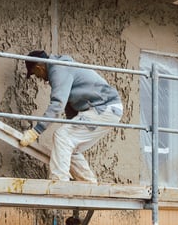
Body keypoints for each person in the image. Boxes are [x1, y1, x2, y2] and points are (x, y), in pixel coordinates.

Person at [20, 50, 124, 183]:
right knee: (70, 146)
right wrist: (72, 123)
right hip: (106, 109)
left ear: (39, 67)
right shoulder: (61, 69)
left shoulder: (58, 69)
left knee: (62, 136)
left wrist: (36, 131)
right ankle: (89, 184)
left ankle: (59, 182)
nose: (39, 78)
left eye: (36, 74)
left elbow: (58, 103)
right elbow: (70, 106)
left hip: (104, 108)